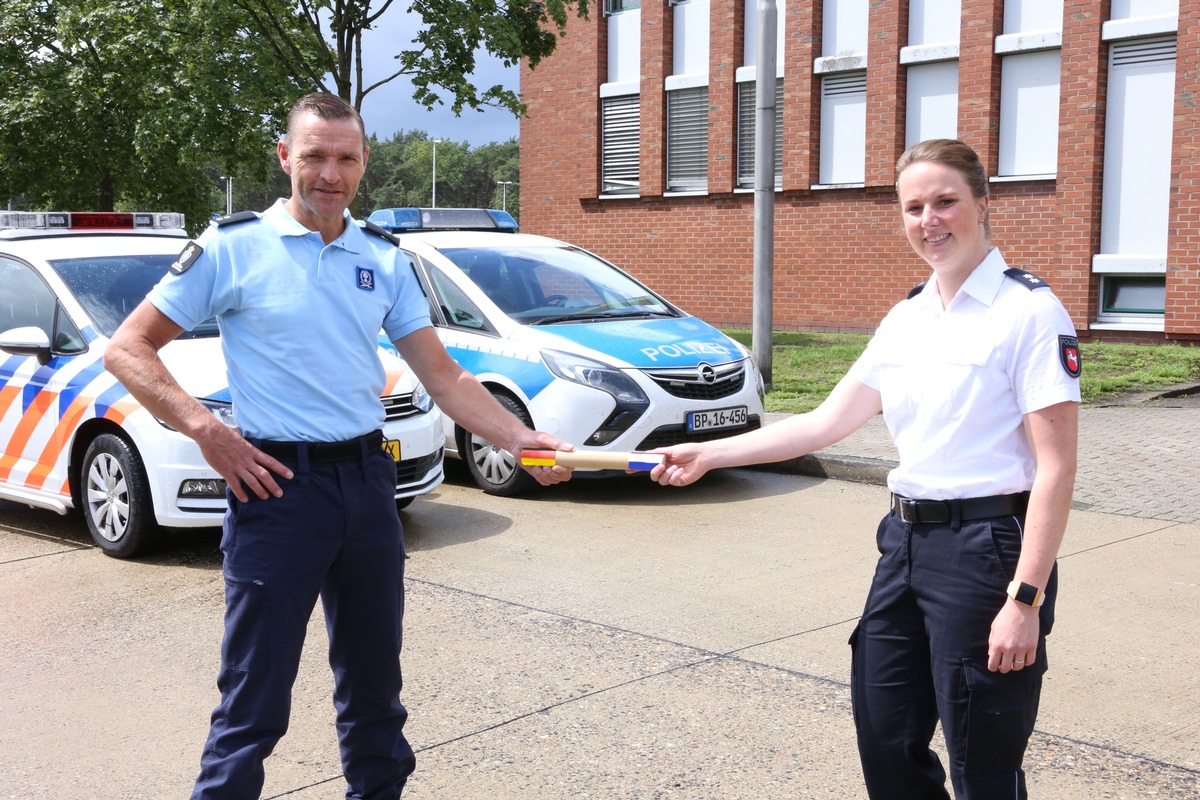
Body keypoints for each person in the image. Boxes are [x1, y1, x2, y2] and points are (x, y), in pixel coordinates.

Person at [105, 92, 573, 800]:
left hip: (365, 486)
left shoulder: (383, 258)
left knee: (376, 693)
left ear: (363, 164)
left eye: (346, 158)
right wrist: (208, 432)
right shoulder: (233, 248)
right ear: (286, 156)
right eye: (316, 155)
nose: (331, 172)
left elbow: (442, 376)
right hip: (275, 492)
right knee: (254, 702)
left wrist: (519, 437)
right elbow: (128, 348)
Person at [649, 138, 1080, 799]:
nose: (928, 220)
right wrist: (709, 454)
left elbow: (1055, 467)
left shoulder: (1027, 312)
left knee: (982, 765)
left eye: (945, 202)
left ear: (983, 205)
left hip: (987, 551)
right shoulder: (907, 317)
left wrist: (1026, 598)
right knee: (885, 737)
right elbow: (826, 422)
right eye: (913, 207)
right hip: (904, 545)